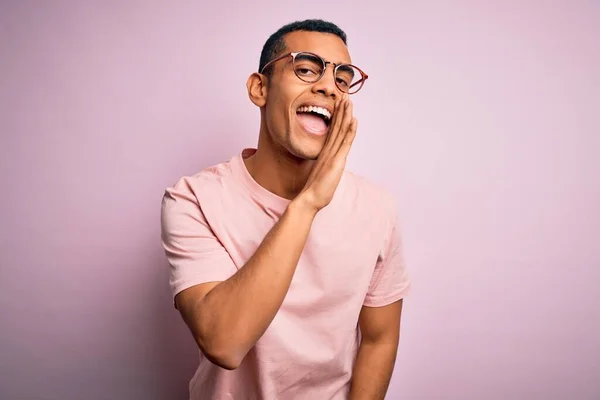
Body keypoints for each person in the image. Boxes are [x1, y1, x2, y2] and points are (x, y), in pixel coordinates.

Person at [160, 19, 411, 400]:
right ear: (260, 88)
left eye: (342, 79)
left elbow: (379, 339)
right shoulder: (194, 199)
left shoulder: (377, 207)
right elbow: (224, 342)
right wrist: (308, 203)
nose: (328, 86)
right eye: (306, 69)